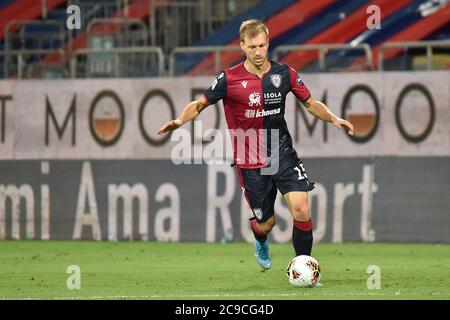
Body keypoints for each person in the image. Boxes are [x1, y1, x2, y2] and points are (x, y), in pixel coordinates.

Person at [158, 19, 354, 270]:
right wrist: (178, 120)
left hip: (281, 152)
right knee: (267, 224)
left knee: (301, 208)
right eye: (252, 47)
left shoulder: (285, 74)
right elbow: (199, 104)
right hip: (250, 161)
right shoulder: (229, 78)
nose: (258, 52)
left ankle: (303, 266)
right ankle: (260, 237)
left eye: (262, 45)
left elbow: (310, 103)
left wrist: (334, 118)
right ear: (242, 46)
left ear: (268, 42)